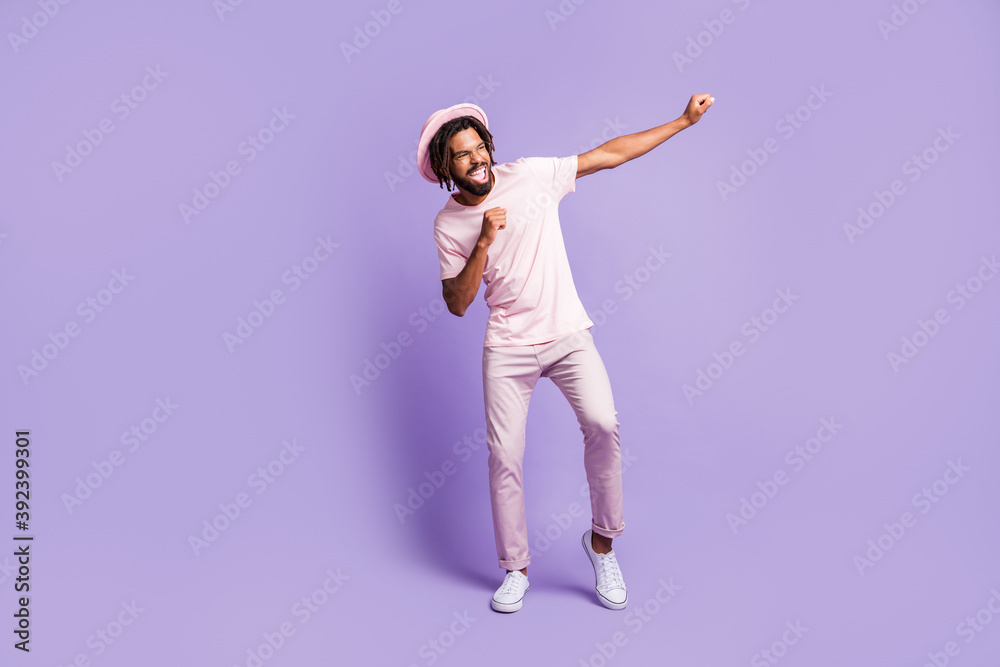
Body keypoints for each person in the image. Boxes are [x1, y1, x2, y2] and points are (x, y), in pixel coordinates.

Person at [416, 94, 714, 612]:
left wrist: (683, 122)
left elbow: (608, 154)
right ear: (446, 167)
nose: (477, 159)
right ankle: (515, 570)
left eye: (479, 147)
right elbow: (457, 304)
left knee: (603, 423)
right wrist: (484, 241)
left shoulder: (531, 175)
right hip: (508, 347)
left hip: (566, 334)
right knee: (504, 457)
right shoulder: (448, 225)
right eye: (462, 155)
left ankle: (601, 545)